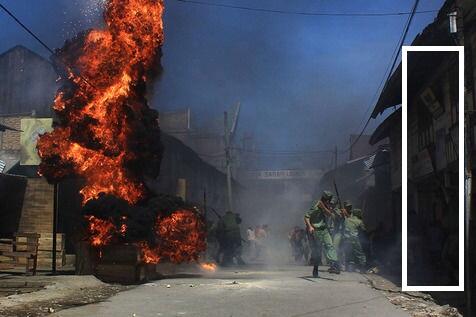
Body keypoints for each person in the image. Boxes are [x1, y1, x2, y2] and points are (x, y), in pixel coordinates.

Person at [304, 190, 340, 277]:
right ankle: (315, 268)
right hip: (316, 231)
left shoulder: (325, 206)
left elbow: (330, 215)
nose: (330, 203)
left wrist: (325, 208)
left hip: (324, 230)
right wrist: (310, 227)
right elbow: (306, 216)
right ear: (326, 199)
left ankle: (334, 265)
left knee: (330, 245)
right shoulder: (316, 206)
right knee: (317, 251)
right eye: (329, 200)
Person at [343, 207, 367, 272]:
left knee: (348, 253)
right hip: (354, 239)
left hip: (346, 239)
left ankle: (347, 268)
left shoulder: (347, 219)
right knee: (360, 254)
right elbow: (364, 230)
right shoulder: (359, 221)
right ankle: (363, 268)